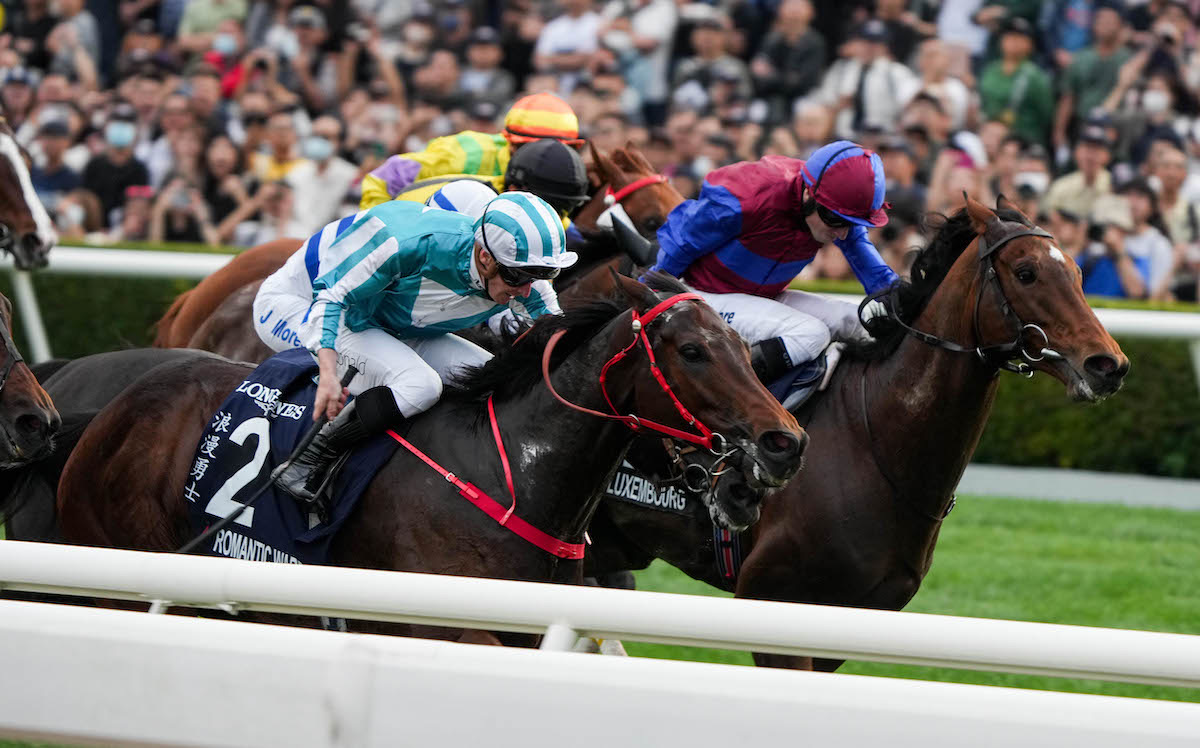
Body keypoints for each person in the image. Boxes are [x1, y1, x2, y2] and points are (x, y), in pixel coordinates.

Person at [256, 193, 575, 502]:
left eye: (544, 276)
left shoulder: (525, 276)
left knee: (488, 378)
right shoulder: (408, 242)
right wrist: (328, 371)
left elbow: (562, 341)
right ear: (485, 257)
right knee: (420, 385)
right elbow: (330, 300)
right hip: (303, 304)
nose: (525, 289)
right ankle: (307, 460)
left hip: (386, 321)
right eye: (519, 277)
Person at [647, 140, 897, 381]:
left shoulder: (834, 206)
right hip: (704, 295)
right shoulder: (750, 195)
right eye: (838, 221)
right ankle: (742, 407)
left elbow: (877, 276)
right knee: (810, 333)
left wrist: (904, 304)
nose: (843, 233)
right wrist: (649, 295)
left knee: (856, 321)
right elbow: (683, 239)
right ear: (809, 194)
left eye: (853, 224)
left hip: (764, 297)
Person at [359, 92, 584, 209]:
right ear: (511, 143)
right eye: (537, 149)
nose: (550, 160)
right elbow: (385, 177)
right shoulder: (465, 152)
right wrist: (374, 234)